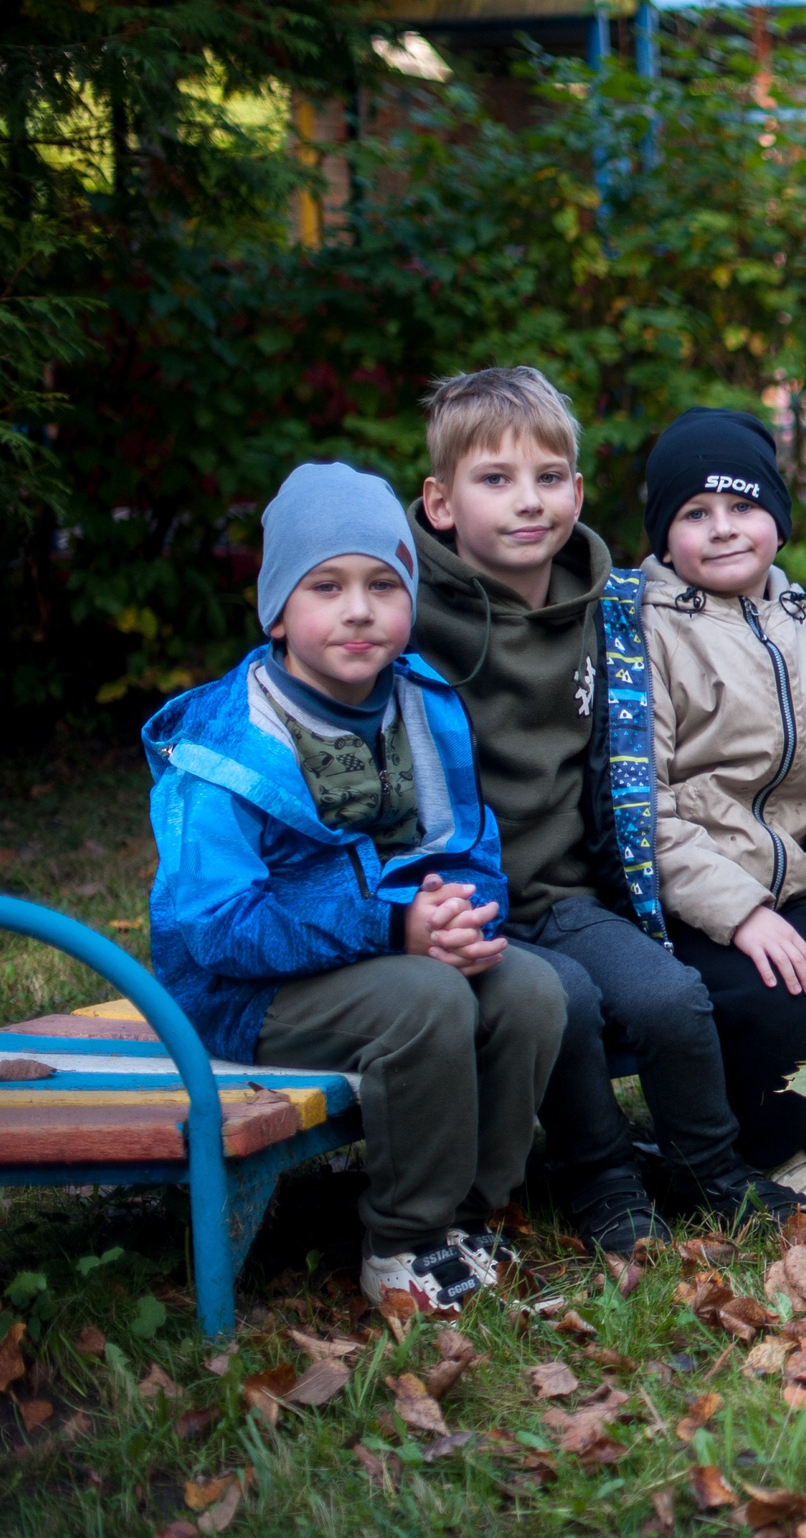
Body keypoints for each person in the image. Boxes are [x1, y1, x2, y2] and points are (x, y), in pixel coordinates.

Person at [144, 463, 565, 1311]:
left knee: (528, 986)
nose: (360, 608)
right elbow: (213, 925)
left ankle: (468, 1217)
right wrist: (394, 926)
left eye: (384, 582)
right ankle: (402, 1241)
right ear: (276, 609)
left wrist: (457, 915)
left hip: (391, 946)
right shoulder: (228, 744)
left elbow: (470, 842)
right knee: (425, 1001)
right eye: (326, 584)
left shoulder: (425, 704)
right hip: (242, 995)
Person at [407, 368, 797, 1250]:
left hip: (575, 893)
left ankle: (709, 1169)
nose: (528, 502)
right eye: (494, 480)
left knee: (671, 998)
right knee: (569, 1003)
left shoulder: (609, 610)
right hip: (467, 901)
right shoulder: (409, 616)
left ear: (578, 491)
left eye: (549, 478)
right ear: (439, 502)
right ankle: (603, 1178)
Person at [632, 407, 806, 1233]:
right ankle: (772, 1150)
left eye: (743, 506)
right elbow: (644, 805)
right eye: (694, 514)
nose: (723, 529)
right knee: (768, 995)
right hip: (703, 898)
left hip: (802, 882)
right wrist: (743, 913)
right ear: (663, 532)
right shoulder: (648, 636)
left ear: (778, 520)